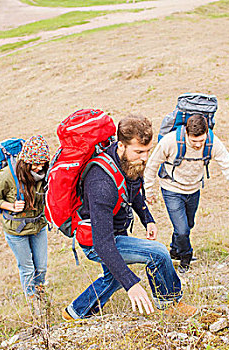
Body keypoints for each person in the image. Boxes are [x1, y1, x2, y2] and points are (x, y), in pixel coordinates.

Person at [63, 115, 197, 320]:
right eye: (139, 151)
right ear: (121, 146)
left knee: (113, 278)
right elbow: (103, 244)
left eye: (148, 151)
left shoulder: (129, 162)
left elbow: (132, 189)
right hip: (96, 240)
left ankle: (75, 312)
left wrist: (147, 219)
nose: (145, 158)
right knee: (158, 253)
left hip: (112, 232)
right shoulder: (100, 182)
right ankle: (170, 303)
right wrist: (132, 284)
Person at [144, 114, 229, 273]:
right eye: (193, 141)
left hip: (194, 189)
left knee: (188, 225)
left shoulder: (212, 143)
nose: (198, 145)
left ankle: (175, 250)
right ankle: (186, 257)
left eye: (201, 140)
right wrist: (148, 191)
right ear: (186, 133)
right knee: (182, 229)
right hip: (172, 189)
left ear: (206, 134)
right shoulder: (170, 141)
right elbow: (152, 165)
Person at [0, 135, 50, 313]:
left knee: (41, 267)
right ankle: (33, 305)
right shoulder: (8, 176)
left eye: (42, 162)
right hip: (16, 231)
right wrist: (10, 206)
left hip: (38, 227)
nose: (39, 167)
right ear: (25, 161)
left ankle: (41, 295)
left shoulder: (45, 174)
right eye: (35, 163)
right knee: (27, 268)